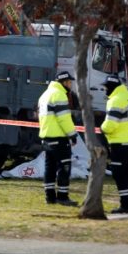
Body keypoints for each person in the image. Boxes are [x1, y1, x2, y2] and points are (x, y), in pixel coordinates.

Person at [101, 74, 128, 214]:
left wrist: (102, 129)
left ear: (112, 87)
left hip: (120, 143)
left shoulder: (115, 100)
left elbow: (110, 124)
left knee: (119, 173)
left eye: (106, 87)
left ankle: (125, 205)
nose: (105, 90)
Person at [38, 71, 79, 206]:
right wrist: (72, 135)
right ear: (63, 82)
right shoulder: (59, 95)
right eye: (69, 82)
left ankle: (49, 197)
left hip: (46, 137)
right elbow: (64, 119)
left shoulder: (45, 95)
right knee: (64, 166)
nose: (70, 85)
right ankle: (62, 196)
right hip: (59, 137)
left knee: (49, 168)